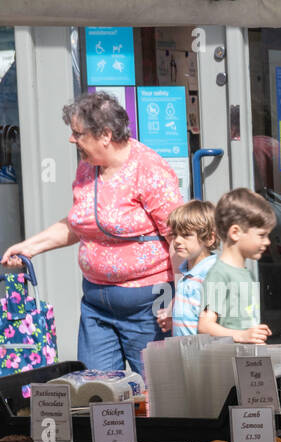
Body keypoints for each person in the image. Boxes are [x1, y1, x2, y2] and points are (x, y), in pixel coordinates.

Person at [1, 91, 182, 374]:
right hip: (97, 306)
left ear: (105, 135)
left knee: (157, 395)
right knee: (96, 394)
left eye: (78, 133)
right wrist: (30, 246)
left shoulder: (150, 169)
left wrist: (178, 300)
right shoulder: (88, 167)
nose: (72, 140)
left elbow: (178, 238)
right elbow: (80, 223)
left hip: (149, 306)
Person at [198, 188, 274, 343]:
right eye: (261, 235)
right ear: (235, 232)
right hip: (230, 363)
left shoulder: (245, 273)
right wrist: (242, 336)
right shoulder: (219, 274)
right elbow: (205, 326)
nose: (267, 242)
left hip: (247, 361)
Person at [164, 200, 219, 337]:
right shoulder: (187, 272)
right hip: (185, 353)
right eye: (175, 234)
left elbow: (212, 325)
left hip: (204, 355)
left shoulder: (212, 274)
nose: (177, 241)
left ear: (209, 238)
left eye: (186, 235)